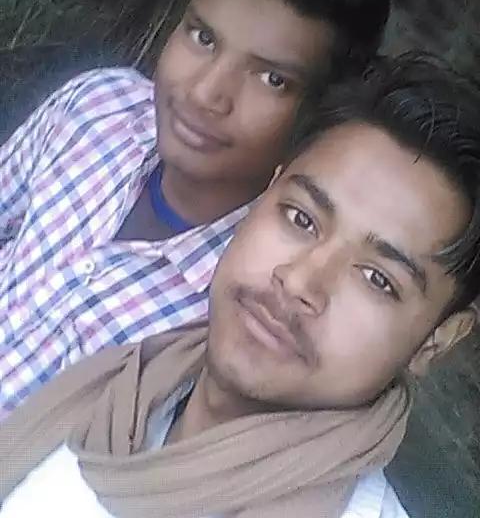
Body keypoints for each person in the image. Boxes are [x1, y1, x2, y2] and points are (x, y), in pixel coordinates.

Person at [1, 53, 479, 518]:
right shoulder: (115, 390)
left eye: (378, 279)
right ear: (264, 196)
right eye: (301, 218)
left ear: (438, 339)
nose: (298, 280)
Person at [0, 0, 390, 415]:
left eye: (272, 79)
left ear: (317, 110)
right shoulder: (96, 108)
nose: (206, 93)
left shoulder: (256, 312)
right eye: (203, 38)